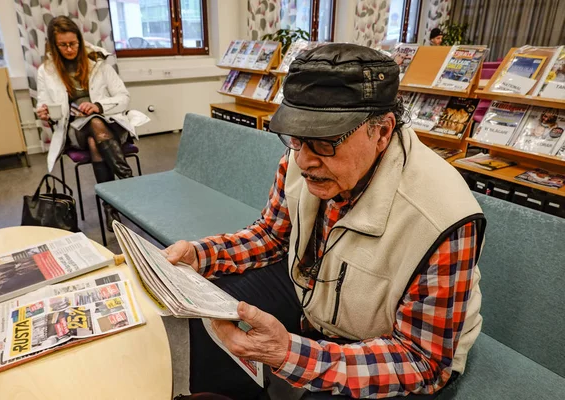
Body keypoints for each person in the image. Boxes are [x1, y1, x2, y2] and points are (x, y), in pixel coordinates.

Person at [166, 44, 486, 399]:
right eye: (297, 137)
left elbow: (421, 361)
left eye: (324, 141)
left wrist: (289, 353)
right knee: (210, 307)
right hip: (316, 294)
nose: (304, 160)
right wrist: (201, 254)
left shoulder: (444, 217)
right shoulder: (302, 158)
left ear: (381, 132)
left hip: (389, 341)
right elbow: (272, 236)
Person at [36, 16, 148, 230]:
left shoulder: (98, 62)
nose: (69, 49)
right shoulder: (46, 71)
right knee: (93, 127)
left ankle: (110, 208)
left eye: (73, 43)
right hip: (73, 130)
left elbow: (124, 97)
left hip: (110, 124)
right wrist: (45, 112)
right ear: (53, 45)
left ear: (79, 40)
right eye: (63, 45)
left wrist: (98, 106)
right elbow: (45, 103)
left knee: (95, 132)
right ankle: (130, 185)